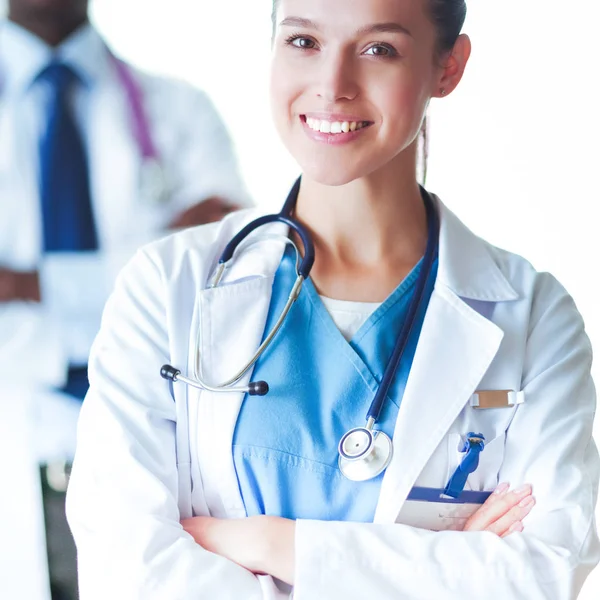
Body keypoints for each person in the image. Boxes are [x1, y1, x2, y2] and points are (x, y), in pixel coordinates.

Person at [66, 0, 600, 598]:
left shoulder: (534, 318)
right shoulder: (167, 286)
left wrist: (277, 546)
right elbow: (128, 570)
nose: (332, 85)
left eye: (379, 49)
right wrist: (446, 566)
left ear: (447, 67)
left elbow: (542, 575)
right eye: (303, 42)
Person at [0, 0, 249, 597]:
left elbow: (231, 265)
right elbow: (183, 267)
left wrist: (26, 284)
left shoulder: (178, 109)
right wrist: (156, 251)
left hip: (157, 435)